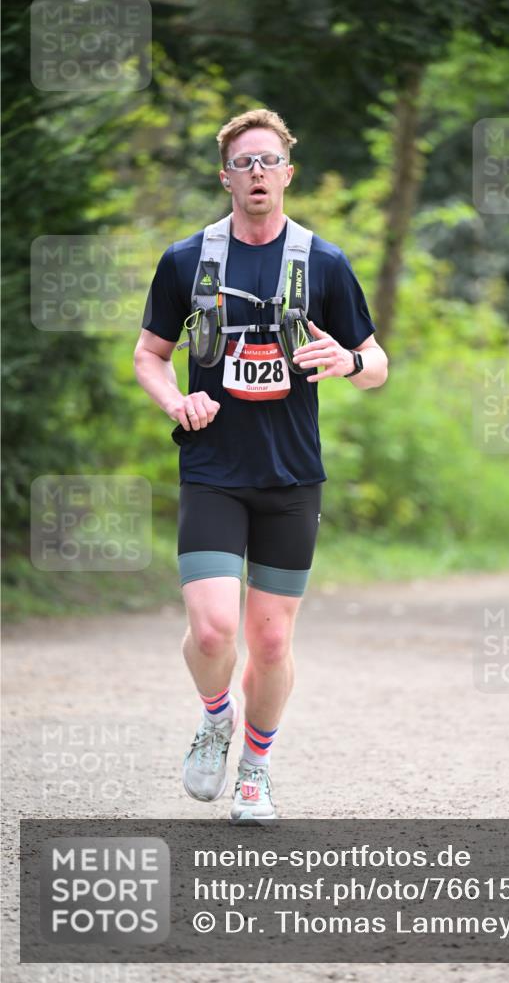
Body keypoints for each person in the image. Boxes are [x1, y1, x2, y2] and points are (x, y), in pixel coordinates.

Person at [134, 108, 388, 823]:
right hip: (213, 469)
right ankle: (216, 716)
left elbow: (377, 364)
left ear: (287, 173)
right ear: (225, 177)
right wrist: (175, 400)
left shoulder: (323, 262)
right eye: (243, 162)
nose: (256, 173)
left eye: (268, 161)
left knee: (271, 639)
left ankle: (255, 770)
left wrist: (349, 361)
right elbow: (149, 355)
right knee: (214, 630)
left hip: (291, 477)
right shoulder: (186, 260)